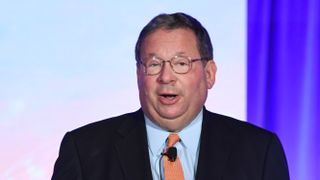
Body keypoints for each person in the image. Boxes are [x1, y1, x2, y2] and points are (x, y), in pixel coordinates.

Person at [52, 12, 289, 180]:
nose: (166, 77)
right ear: (138, 75)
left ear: (209, 74)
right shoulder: (84, 151)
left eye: (181, 63)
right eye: (154, 64)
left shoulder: (259, 152)